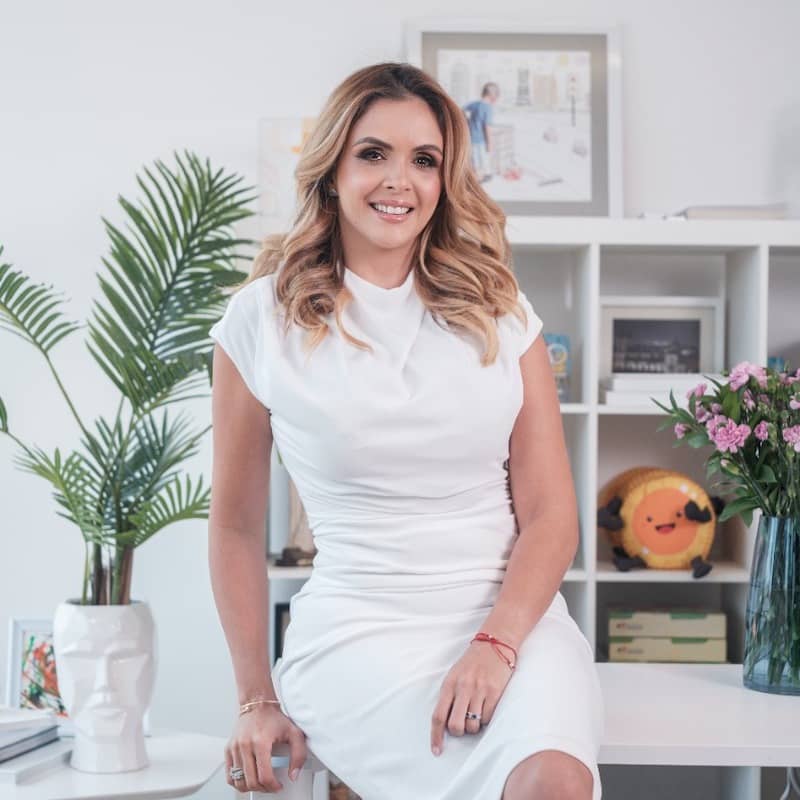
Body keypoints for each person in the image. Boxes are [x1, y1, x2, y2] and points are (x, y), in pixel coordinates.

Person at [208, 61, 604, 799]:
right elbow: (233, 527)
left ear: (444, 180)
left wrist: (497, 641)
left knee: (552, 780)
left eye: (425, 160)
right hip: (358, 630)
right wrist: (255, 699)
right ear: (331, 169)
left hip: (510, 616)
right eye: (373, 154)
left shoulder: (500, 309)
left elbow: (551, 515)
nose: (400, 181)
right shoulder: (259, 321)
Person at [462, 81, 500, 182]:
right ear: (492, 95)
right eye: (497, 95)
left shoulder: (475, 104)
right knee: (483, 159)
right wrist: (490, 143)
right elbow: (487, 127)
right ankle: (481, 177)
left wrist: (467, 120)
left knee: (475, 160)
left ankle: (479, 176)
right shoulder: (488, 108)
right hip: (481, 140)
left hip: (472, 138)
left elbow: (462, 109)